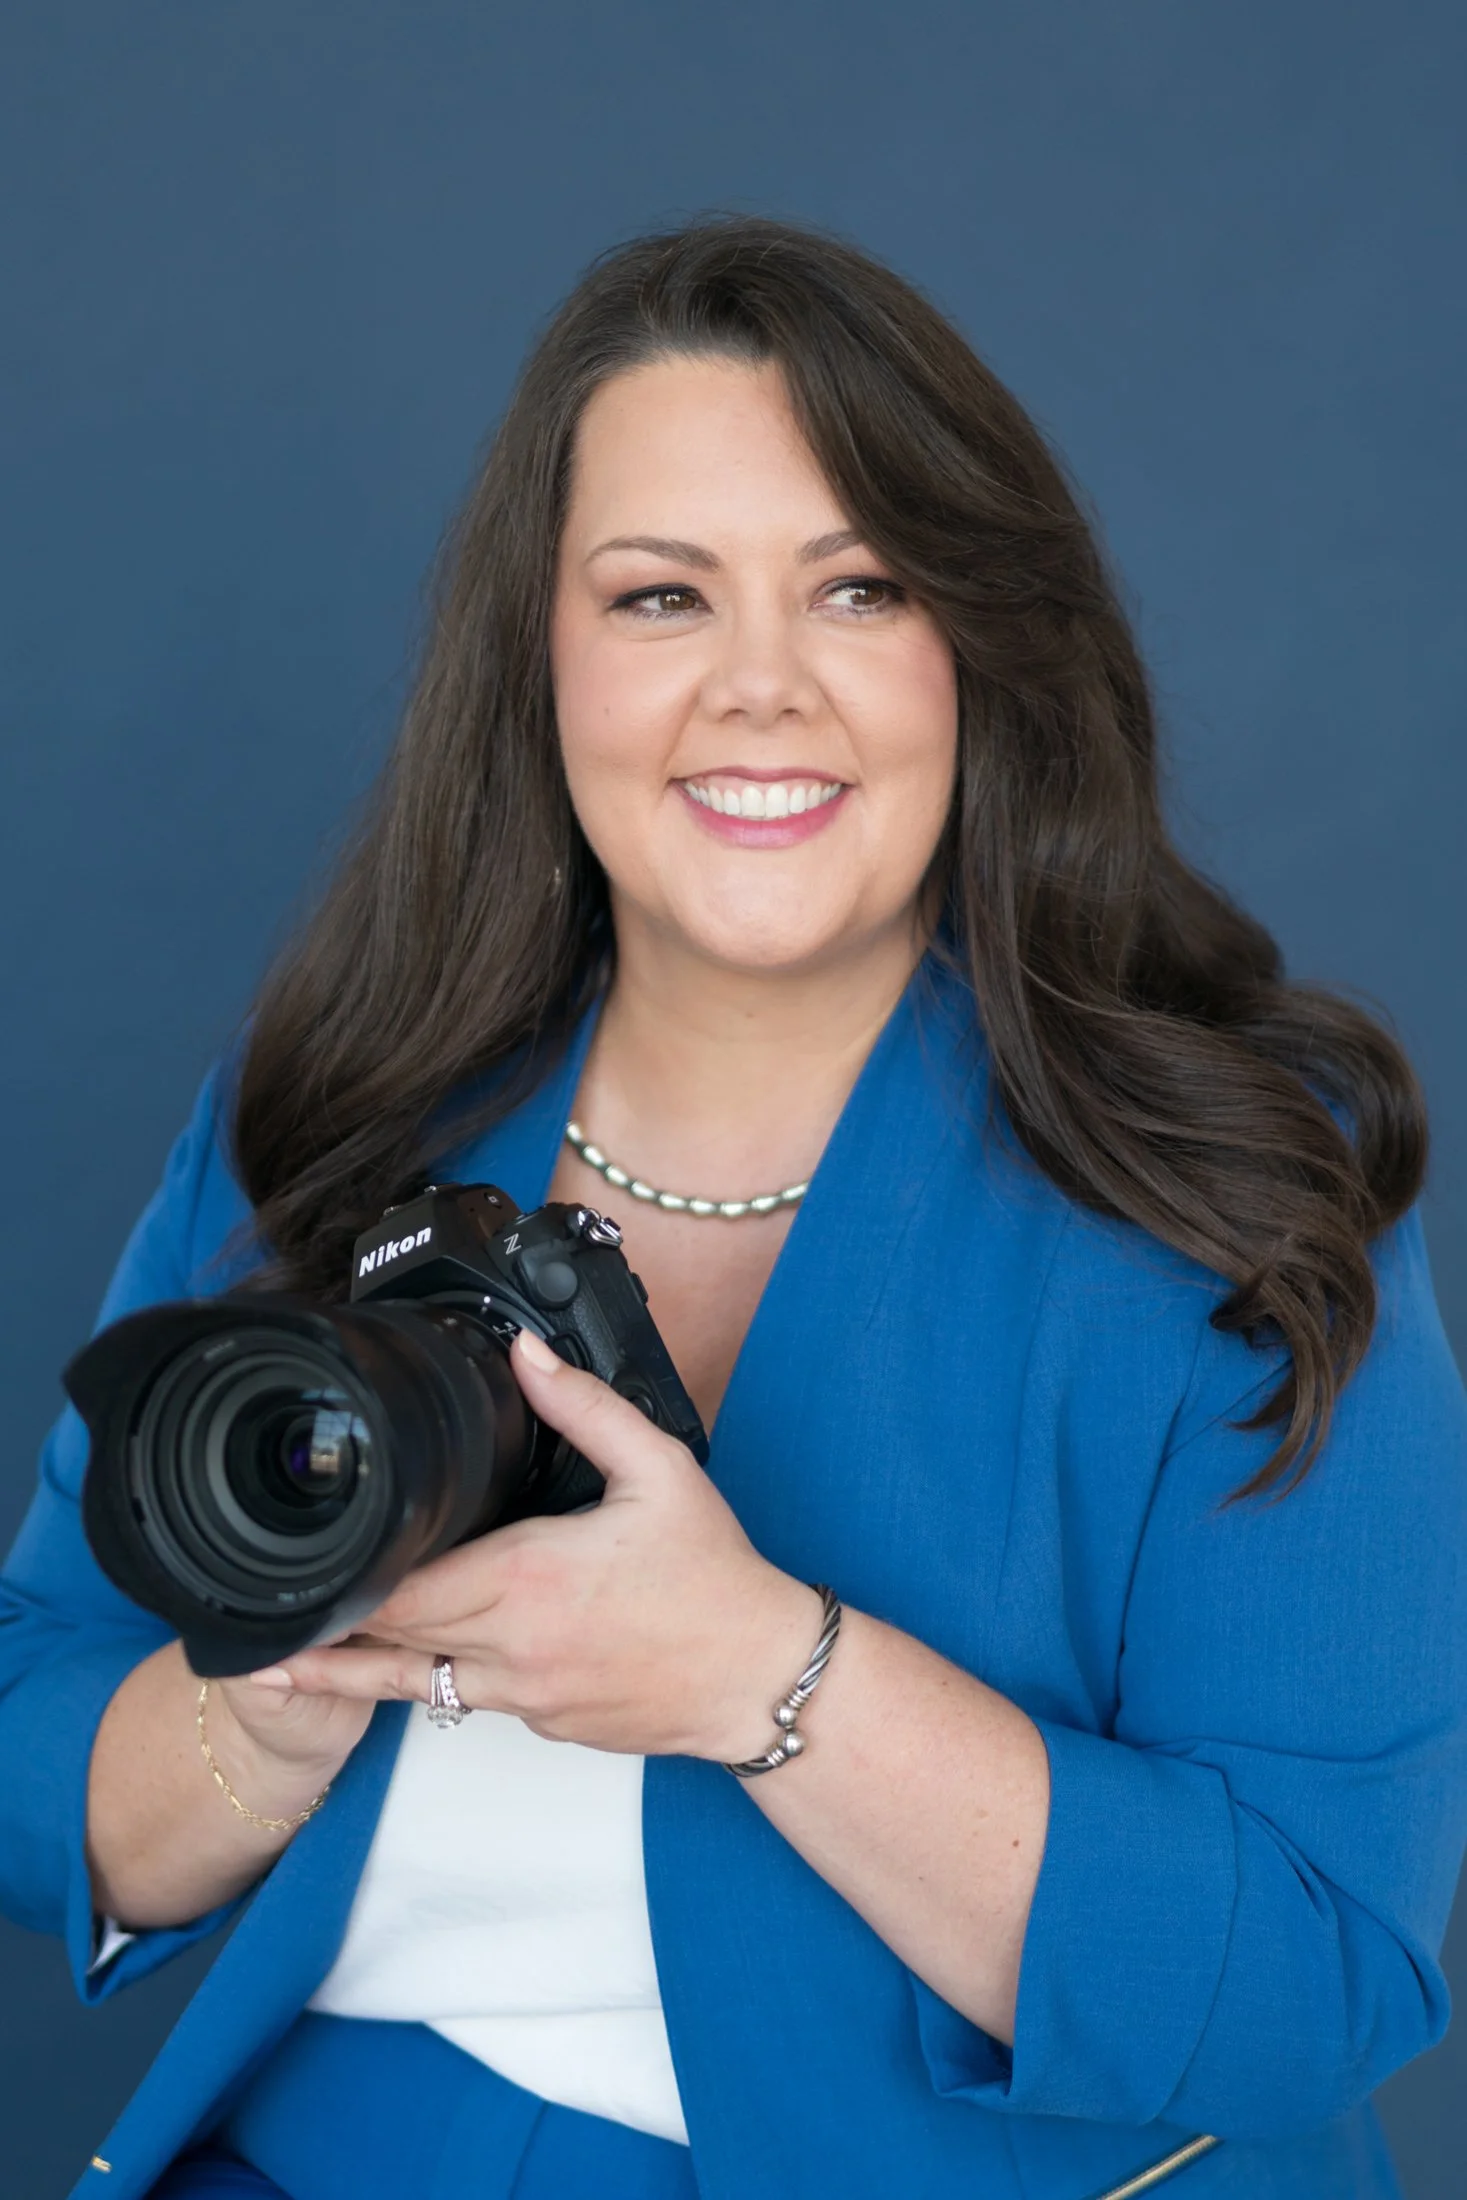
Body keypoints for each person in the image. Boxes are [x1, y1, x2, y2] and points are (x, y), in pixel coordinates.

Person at [2, 215, 1465, 2200]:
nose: (759, 688)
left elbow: (1318, 1970)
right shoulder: (343, 1106)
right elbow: (38, 1725)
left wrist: (761, 1675)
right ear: (542, 654)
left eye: (859, 589)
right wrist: (249, 1735)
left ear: (977, 651)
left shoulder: (1238, 1190)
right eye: (662, 594)